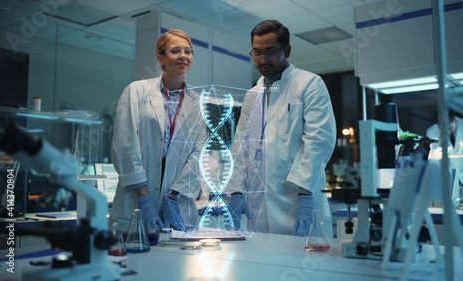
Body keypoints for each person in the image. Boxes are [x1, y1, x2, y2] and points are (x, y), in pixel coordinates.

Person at [226, 20, 337, 237]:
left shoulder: (309, 84)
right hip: (257, 206)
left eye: (270, 52)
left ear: (287, 50)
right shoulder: (252, 95)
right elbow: (240, 147)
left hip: (297, 201)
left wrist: (305, 193)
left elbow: (318, 142)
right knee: (261, 267)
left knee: (305, 265)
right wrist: (236, 190)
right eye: (256, 53)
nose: (262, 60)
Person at [109, 29, 205, 232]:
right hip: (136, 198)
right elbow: (124, 144)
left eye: (188, 51)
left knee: (177, 262)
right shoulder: (137, 91)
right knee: (134, 260)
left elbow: (199, 152)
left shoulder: (196, 102)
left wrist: (174, 197)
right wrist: (145, 199)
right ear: (160, 57)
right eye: (175, 51)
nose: (183, 56)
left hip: (177, 204)